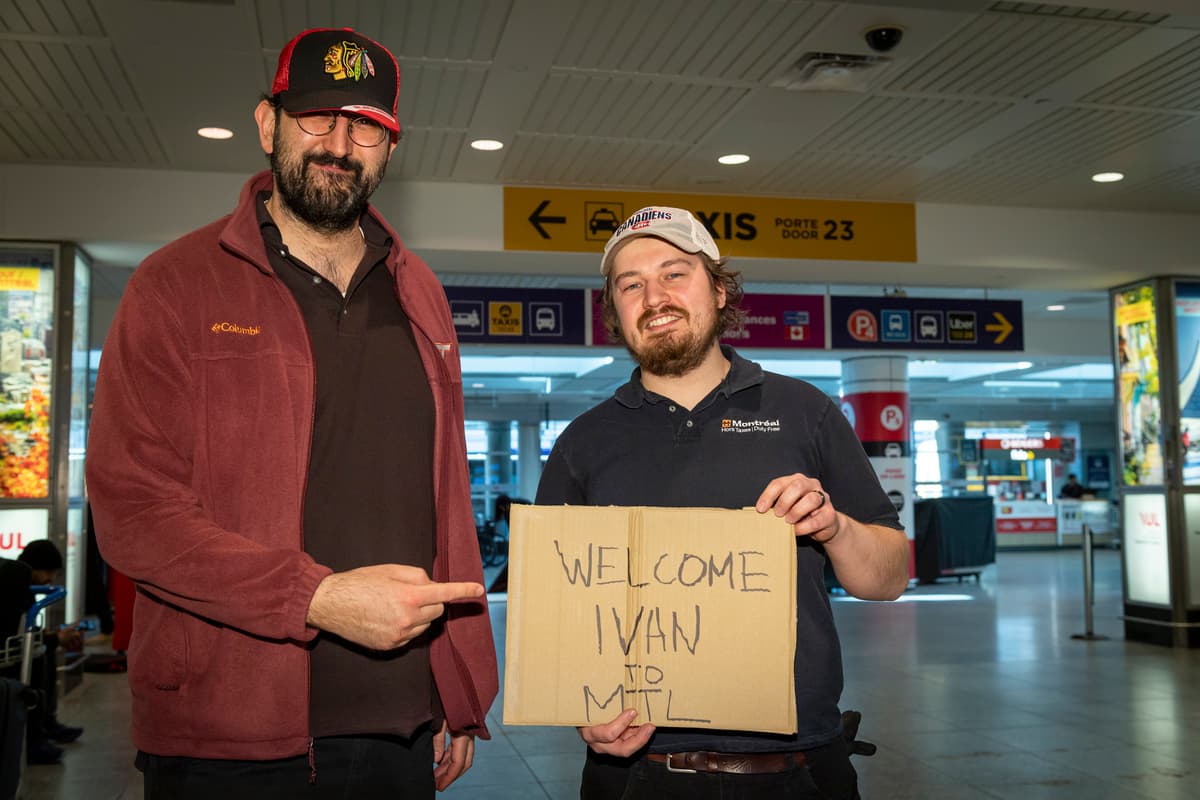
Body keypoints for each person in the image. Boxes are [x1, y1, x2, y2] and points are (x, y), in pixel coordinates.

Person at [85, 26, 497, 799]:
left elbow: (440, 501)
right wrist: (316, 598)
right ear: (267, 124)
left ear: (390, 147)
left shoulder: (421, 294)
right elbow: (134, 512)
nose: (339, 145)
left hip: (400, 724)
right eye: (317, 117)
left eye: (366, 127)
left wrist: (455, 682)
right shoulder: (175, 284)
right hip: (226, 733)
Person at [535, 207, 910, 800]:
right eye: (630, 285)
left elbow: (888, 579)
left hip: (800, 770)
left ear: (718, 290)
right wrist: (579, 706)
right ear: (614, 311)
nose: (653, 297)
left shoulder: (806, 413)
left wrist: (834, 526)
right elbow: (554, 613)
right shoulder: (583, 442)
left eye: (674, 274)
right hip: (633, 776)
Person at [0, 540, 84, 765]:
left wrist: (52, 637)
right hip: (8, 654)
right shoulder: (15, 584)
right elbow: (15, 634)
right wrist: (56, 638)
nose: (51, 579)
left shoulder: (15, 581)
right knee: (37, 655)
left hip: (10, 649)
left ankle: (44, 724)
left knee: (41, 651)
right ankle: (34, 736)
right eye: (49, 571)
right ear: (36, 568)